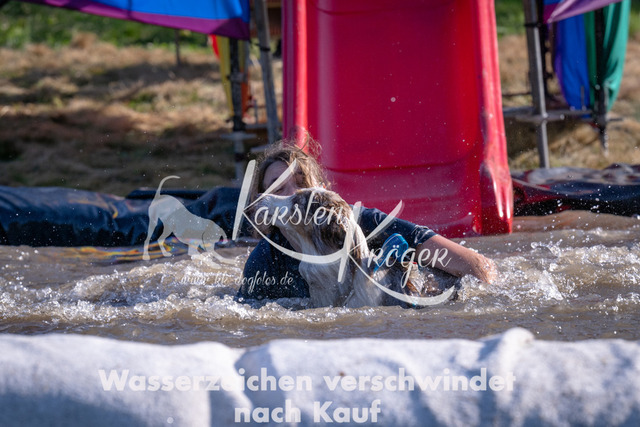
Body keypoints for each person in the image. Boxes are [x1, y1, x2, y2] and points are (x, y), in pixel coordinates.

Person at [237, 140, 498, 301]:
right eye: (278, 188)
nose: (294, 194)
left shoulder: (369, 224)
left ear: (324, 192)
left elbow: (478, 267)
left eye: (302, 183)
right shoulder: (265, 263)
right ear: (264, 206)